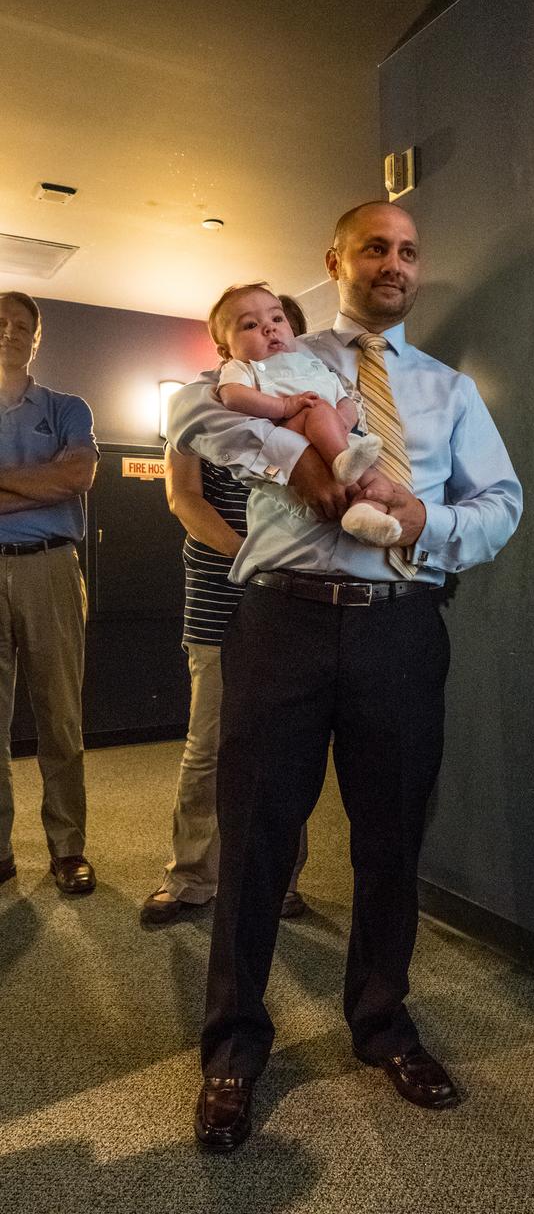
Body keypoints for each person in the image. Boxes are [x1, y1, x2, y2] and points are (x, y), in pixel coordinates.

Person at [167, 202, 523, 1151]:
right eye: (377, 247)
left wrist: (425, 525)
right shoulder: (283, 357)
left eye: (410, 250)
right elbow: (194, 411)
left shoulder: (450, 390)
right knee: (253, 841)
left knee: (391, 838)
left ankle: (382, 1023)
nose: (395, 263)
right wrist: (293, 454)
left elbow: (502, 504)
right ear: (337, 260)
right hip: (281, 622)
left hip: (400, 631)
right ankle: (235, 1045)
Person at [141, 295, 309, 925]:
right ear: (224, 344)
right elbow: (184, 500)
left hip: (292, 605)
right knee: (209, 746)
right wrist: (254, 559)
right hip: (221, 598)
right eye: (251, 325)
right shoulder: (196, 402)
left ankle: (282, 882)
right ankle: (191, 879)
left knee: (284, 748)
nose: (269, 334)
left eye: (278, 325)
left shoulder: (307, 399)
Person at [0, 291, 98, 895]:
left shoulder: (66, 407)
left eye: (21, 326)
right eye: (0, 322)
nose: (9, 331)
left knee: (60, 716)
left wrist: (52, 484)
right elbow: (55, 481)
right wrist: (39, 486)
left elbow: (77, 476)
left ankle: (67, 849)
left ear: (36, 339)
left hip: (50, 568)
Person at [215, 284, 400, 546]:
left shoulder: (313, 363)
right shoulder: (241, 367)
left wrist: (343, 421)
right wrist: (285, 407)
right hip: (293, 436)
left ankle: (362, 514)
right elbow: (232, 395)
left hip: (340, 440)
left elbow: (344, 400)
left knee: (380, 483)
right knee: (317, 408)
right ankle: (342, 462)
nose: (270, 328)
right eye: (250, 326)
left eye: (277, 319)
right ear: (225, 351)